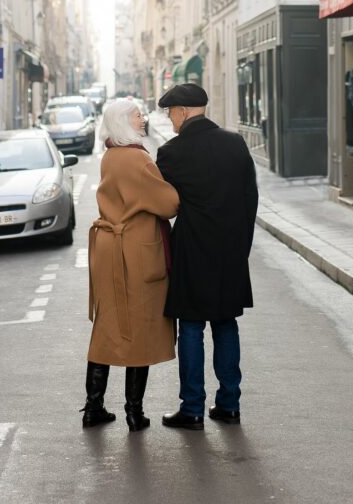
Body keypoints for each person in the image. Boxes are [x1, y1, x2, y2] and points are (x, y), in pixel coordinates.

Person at [156, 83, 258, 430]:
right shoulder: (235, 143)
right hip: (230, 251)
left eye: (171, 113)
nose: (170, 119)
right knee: (226, 324)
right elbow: (250, 198)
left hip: (193, 251)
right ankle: (229, 405)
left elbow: (164, 206)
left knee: (192, 327)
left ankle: (193, 409)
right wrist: (241, 247)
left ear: (183, 112)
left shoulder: (171, 153)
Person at [82, 98, 179, 432]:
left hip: (108, 249)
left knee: (107, 325)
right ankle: (134, 413)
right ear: (124, 121)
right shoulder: (137, 159)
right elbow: (169, 204)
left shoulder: (110, 155)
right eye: (138, 115)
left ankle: (93, 406)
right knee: (140, 327)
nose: (143, 119)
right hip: (134, 250)